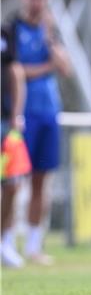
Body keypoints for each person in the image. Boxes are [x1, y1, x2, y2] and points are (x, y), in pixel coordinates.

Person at [6, 0, 72, 266]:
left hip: (48, 113)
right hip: (20, 116)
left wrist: (49, 38)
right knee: (12, 180)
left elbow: (66, 68)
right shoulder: (12, 29)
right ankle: (6, 240)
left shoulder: (50, 32)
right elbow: (16, 71)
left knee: (40, 180)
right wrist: (45, 67)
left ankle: (34, 245)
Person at [1, 24, 32, 268]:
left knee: (12, 184)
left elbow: (15, 70)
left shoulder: (4, 32)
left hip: (4, 122)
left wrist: (16, 113)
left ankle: (4, 241)